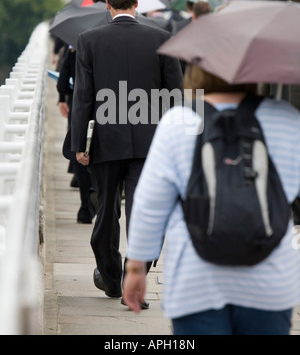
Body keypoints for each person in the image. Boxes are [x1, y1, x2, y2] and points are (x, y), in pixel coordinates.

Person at [123, 65, 300, 335]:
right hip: (270, 279)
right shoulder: (287, 120)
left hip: (195, 281)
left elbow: (150, 204)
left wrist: (136, 267)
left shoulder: (177, 121)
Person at [70, 0, 183, 305]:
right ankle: (136, 280)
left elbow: (83, 97)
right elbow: (173, 97)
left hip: (105, 141)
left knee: (106, 211)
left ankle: (110, 276)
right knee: (146, 212)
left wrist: (80, 144)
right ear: (137, 3)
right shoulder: (162, 38)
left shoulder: (88, 40)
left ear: (107, 4)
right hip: (151, 145)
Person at [57, 47, 97, 224]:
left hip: (79, 107)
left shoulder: (74, 50)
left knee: (80, 152)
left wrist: (61, 98)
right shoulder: (106, 47)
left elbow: (62, 84)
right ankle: (97, 192)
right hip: (106, 107)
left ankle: (85, 206)